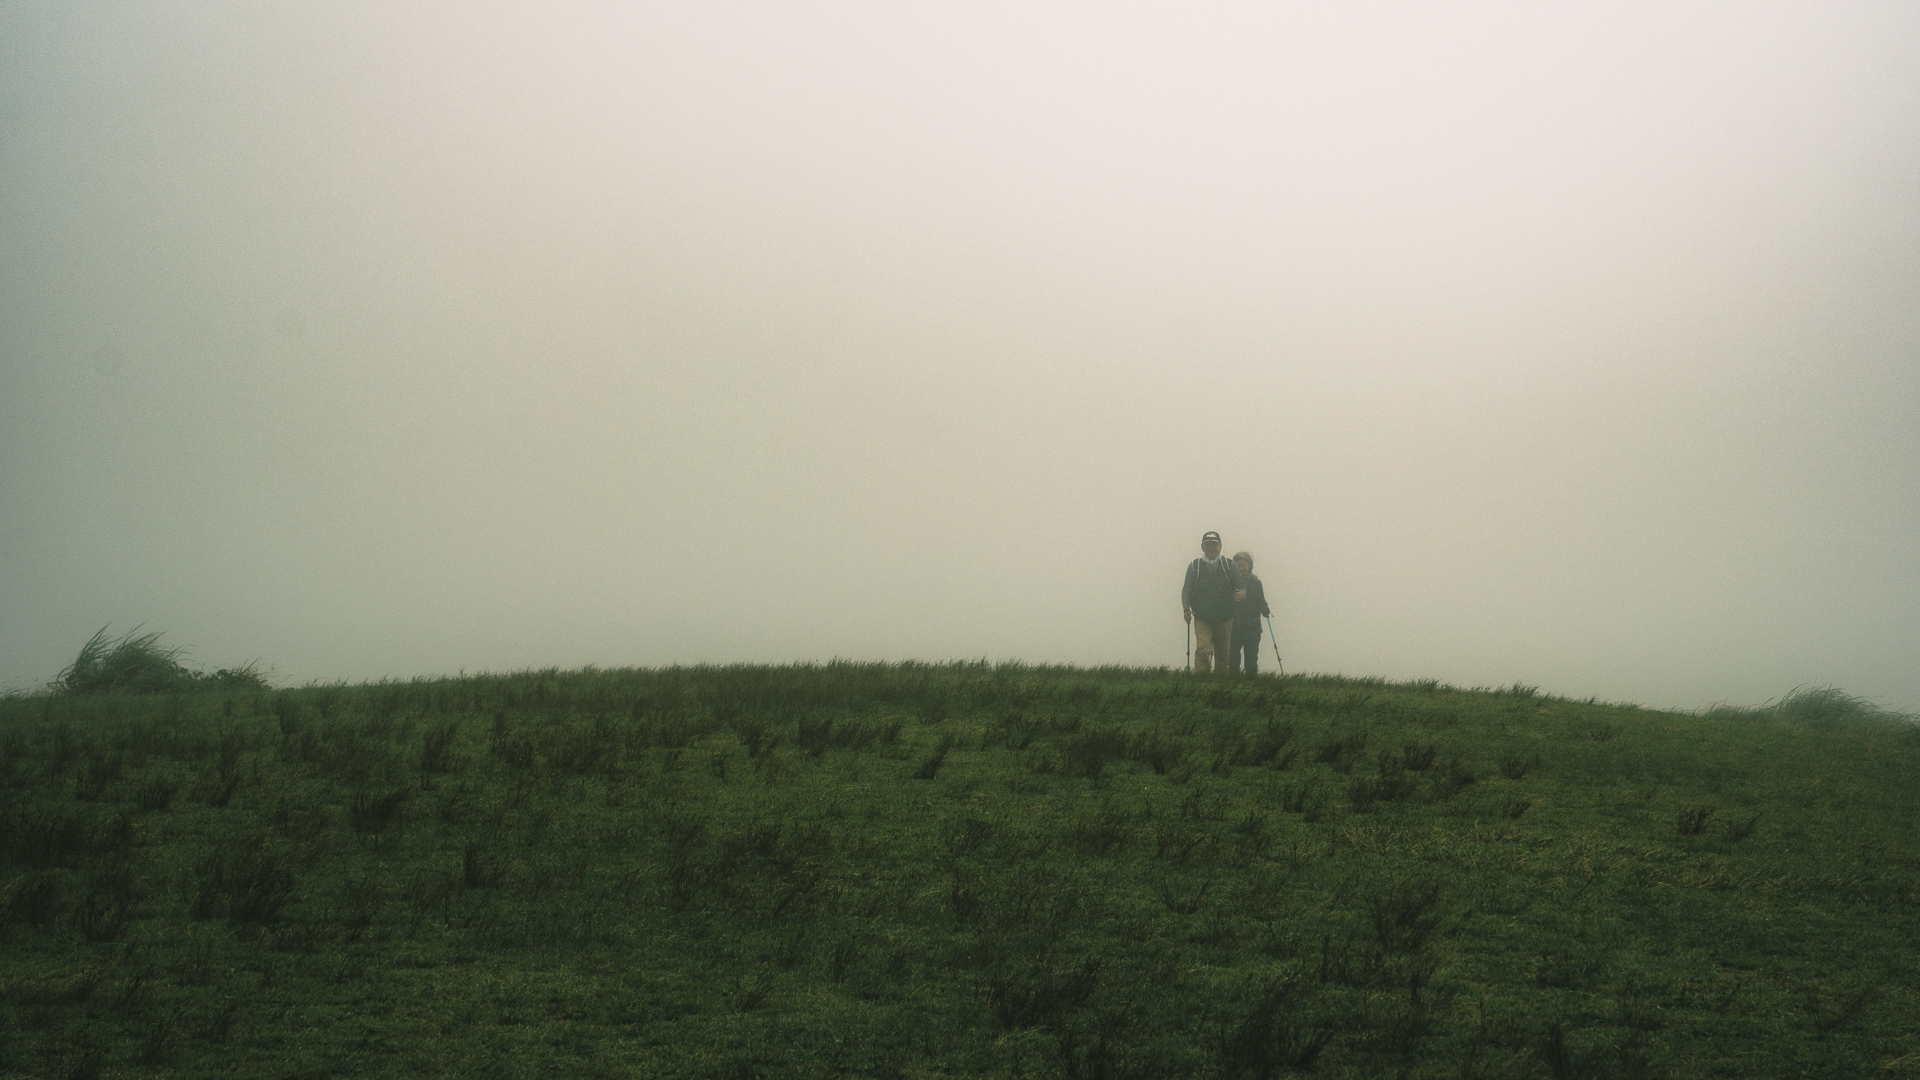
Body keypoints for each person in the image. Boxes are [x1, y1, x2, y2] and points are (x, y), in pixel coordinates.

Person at [1181, 531, 1243, 673]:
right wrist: (1186, 608)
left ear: (1220, 546)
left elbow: (1241, 586)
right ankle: (1202, 682)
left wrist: (1241, 595)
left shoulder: (1229, 565)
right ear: (1202, 547)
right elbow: (1187, 590)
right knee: (1203, 649)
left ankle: (1219, 685)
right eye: (1208, 545)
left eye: (1214, 545)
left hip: (1225, 617)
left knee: (1222, 655)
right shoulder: (1194, 566)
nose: (1211, 548)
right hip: (1202, 617)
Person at [1228, 551, 1271, 674]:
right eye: (1238, 565)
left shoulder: (1256, 582)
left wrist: (1265, 609)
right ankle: (1233, 682)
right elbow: (1224, 600)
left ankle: (1251, 681)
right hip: (1233, 625)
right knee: (1233, 657)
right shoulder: (1229, 582)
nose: (1241, 568)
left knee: (1251, 657)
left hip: (1252, 625)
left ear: (1249, 566)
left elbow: (1260, 600)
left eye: (1244, 564)